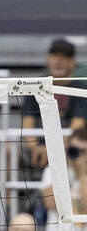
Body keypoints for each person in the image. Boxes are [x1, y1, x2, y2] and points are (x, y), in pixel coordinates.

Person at [22, 39, 87, 169]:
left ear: (72, 62)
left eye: (64, 57)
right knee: (7, 150)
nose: (59, 61)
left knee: (77, 151)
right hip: (37, 146)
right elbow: (27, 125)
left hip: (68, 146)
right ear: (48, 59)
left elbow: (76, 128)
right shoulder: (34, 86)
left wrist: (52, 149)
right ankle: (6, 190)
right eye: (55, 56)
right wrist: (35, 147)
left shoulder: (80, 89)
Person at [40, 128, 87, 231]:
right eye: (74, 150)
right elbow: (50, 203)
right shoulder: (52, 171)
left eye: (83, 151)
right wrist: (61, 166)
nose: (77, 155)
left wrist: (82, 174)